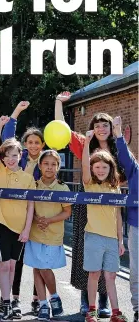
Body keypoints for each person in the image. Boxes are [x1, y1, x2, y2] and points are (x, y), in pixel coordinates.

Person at [55, 91, 115, 316]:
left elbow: (127, 171)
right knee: (84, 248)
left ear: (110, 129)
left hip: (110, 203)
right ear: (93, 127)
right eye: (98, 125)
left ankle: (104, 300)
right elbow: (62, 129)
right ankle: (85, 298)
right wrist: (59, 103)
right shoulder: (84, 143)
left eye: (105, 125)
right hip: (86, 201)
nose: (101, 129)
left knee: (107, 250)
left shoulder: (117, 148)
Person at [0, 116, 36, 321]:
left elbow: (31, 205)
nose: (10, 159)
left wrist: (27, 229)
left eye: (14, 155)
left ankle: (8, 301)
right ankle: (5, 302)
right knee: (4, 264)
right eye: (7, 155)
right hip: (1, 223)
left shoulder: (27, 178)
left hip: (20, 227)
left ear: (20, 155)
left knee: (13, 265)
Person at [2, 100, 46, 316]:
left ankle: (37, 299)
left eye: (37, 142)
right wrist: (17, 111)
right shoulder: (19, 158)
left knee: (38, 258)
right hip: (20, 212)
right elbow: (8, 137)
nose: (34, 145)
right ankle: (15, 298)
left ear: (43, 145)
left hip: (40, 212)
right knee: (16, 260)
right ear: (25, 144)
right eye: (30, 142)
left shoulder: (47, 160)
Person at [81, 131, 127, 322]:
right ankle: (91, 311)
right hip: (93, 236)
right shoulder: (90, 184)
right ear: (92, 169)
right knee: (94, 274)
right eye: (97, 167)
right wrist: (86, 143)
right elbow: (84, 165)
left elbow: (117, 214)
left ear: (110, 168)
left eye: (104, 167)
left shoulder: (114, 187)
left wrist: (120, 239)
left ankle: (115, 312)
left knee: (111, 277)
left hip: (111, 239)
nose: (100, 170)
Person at [23, 150, 71, 322]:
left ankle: (55, 297)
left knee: (44, 267)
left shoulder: (62, 187)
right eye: (46, 163)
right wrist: (36, 218)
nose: (49, 167)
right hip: (35, 233)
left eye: (53, 164)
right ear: (40, 165)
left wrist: (49, 220)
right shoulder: (33, 185)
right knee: (37, 266)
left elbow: (67, 212)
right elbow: (29, 208)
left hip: (53, 234)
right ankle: (43, 304)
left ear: (58, 167)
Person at [113, 116, 139, 322]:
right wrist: (118, 132)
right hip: (136, 226)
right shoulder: (135, 170)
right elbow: (123, 155)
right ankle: (138, 307)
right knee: (136, 270)